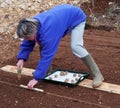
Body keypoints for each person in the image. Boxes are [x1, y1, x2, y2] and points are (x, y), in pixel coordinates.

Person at [16, 4, 104, 89]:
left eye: (27, 37)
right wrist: (21, 58)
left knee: (76, 46)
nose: (26, 39)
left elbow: (48, 55)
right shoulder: (31, 25)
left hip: (76, 17)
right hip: (62, 15)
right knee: (40, 42)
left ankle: (97, 75)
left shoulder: (48, 33)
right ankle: (46, 71)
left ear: (34, 32)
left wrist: (36, 78)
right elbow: (28, 42)